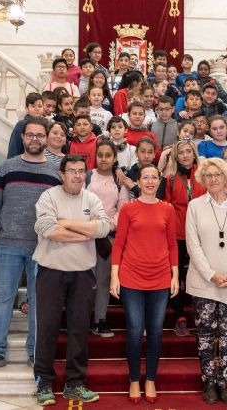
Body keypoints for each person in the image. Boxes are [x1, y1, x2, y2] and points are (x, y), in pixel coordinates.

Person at [0, 118, 61, 372]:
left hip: (42, 248)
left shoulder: (55, 173)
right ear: (22, 138)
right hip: (7, 246)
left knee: (38, 303)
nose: (35, 139)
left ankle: (36, 352)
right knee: (3, 300)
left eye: (39, 135)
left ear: (46, 139)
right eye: (30, 135)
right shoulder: (6, 168)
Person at [33, 154, 112, 406]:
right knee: (47, 328)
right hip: (51, 272)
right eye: (72, 171)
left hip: (83, 273)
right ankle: (44, 382)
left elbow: (103, 228)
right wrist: (84, 232)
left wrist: (66, 223)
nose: (78, 175)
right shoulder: (49, 197)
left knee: (79, 329)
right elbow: (50, 231)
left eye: (81, 171)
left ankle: (74, 383)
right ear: (62, 173)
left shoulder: (91, 198)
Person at [185, 157, 227, 405]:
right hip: (204, 282)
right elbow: (193, 246)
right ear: (202, 180)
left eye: (217, 175)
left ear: (226, 177)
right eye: (208, 176)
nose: (212, 179)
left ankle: (224, 383)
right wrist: (212, 274)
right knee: (204, 334)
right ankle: (208, 383)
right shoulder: (194, 206)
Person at [110, 164, 179, 404]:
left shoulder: (168, 209)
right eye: (145, 177)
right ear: (138, 181)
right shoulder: (129, 209)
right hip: (131, 277)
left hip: (160, 278)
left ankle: (150, 378)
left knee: (157, 332)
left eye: (154, 177)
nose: (150, 181)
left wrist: (175, 275)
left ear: (159, 181)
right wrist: (114, 276)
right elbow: (118, 244)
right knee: (135, 331)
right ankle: (133, 379)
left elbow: (172, 244)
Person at [161, 140, 207, 336]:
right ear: (176, 156)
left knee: (202, 274)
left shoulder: (205, 175)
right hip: (177, 234)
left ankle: (204, 315)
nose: (186, 155)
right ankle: (180, 316)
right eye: (181, 153)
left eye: (189, 152)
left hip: (201, 234)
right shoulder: (170, 178)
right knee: (176, 276)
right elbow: (165, 207)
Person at [85, 141, 130, 338]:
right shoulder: (87, 176)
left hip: (108, 236)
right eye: (100, 155)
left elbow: (123, 209)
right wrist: (90, 225)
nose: (103, 159)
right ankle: (82, 318)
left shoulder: (118, 180)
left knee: (103, 280)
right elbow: (80, 201)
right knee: (83, 281)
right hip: (85, 234)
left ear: (114, 158)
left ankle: (99, 320)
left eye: (108, 155)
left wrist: (106, 226)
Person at [7, 92, 44, 159]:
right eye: (33, 106)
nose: (37, 109)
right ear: (26, 108)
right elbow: (14, 148)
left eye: (40, 106)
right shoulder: (21, 125)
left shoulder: (46, 124)